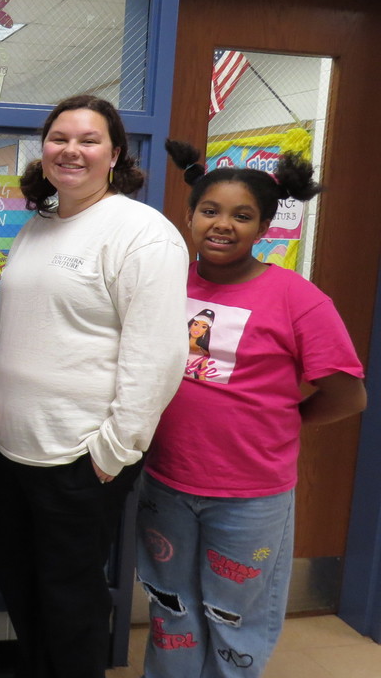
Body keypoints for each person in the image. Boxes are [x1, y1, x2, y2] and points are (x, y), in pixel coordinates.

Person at [136, 141, 367, 678]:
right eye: (210, 211)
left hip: (249, 496)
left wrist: (282, 423)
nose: (223, 225)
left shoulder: (298, 298)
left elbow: (348, 394)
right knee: (171, 607)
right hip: (166, 481)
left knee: (231, 614)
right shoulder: (163, 284)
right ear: (188, 216)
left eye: (242, 216)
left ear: (264, 228)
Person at [0, 95, 189, 678]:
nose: (70, 150)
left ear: (115, 154)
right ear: (44, 149)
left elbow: (158, 356)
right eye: (59, 138)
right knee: (20, 582)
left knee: (70, 602)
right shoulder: (41, 223)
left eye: (89, 140)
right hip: (15, 449)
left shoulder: (141, 233)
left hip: (79, 457)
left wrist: (112, 453)